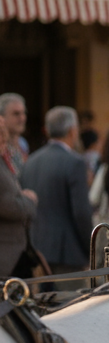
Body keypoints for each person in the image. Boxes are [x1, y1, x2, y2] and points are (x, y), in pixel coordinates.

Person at [20, 106, 93, 276]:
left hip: (36, 250)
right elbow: (81, 213)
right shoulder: (74, 162)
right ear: (72, 131)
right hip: (68, 253)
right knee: (73, 302)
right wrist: (91, 249)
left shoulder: (30, 161)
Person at [0, 116, 37, 277]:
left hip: (15, 254)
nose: (4, 138)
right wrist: (30, 200)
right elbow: (8, 205)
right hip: (7, 258)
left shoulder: (4, 160)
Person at [0, 93, 28, 173]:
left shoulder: (23, 143)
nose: (22, 118)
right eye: (16, 114)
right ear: (2, 116)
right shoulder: (1, 146)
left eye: (24, 113)